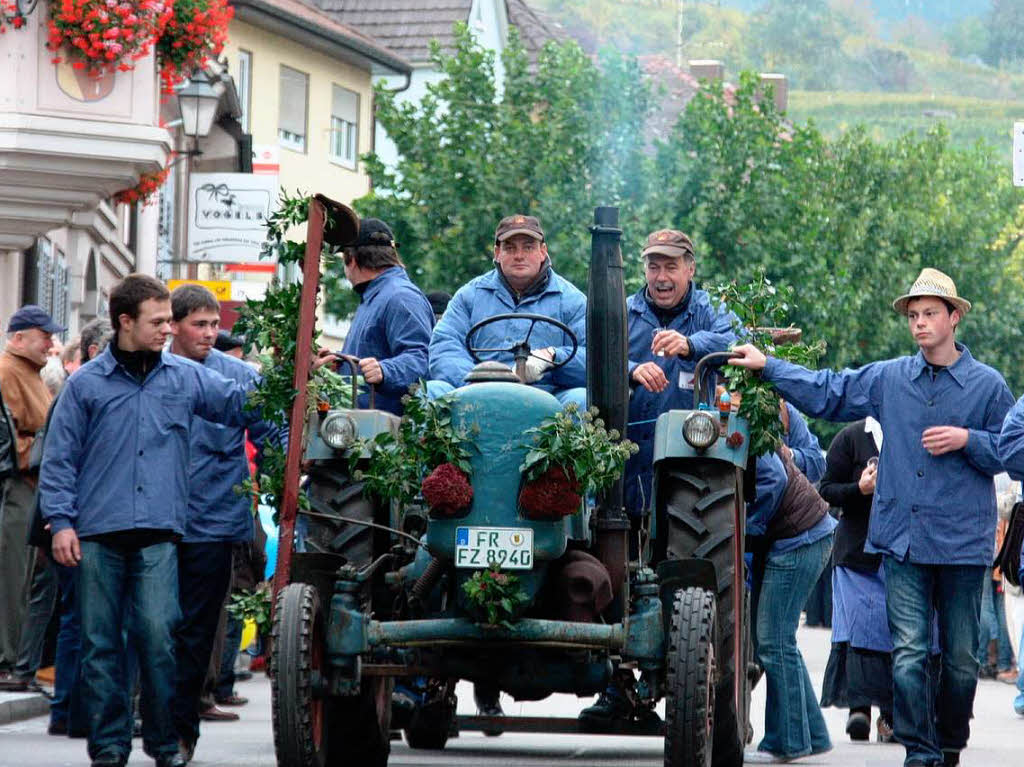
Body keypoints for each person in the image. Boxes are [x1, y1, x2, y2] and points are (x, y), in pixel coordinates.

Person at [731, 268, 1014, 767]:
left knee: (962, 662)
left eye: (930, 314)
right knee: (907, 654)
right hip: (901, 541)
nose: (920, 324)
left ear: (954, 318)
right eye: (913, 315)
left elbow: (1014, 453)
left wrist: (970, 441)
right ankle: (920, 752)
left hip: (961, 543)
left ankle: (949, 745)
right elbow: (829, 391)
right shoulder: (890, 378)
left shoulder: (987, 386)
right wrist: (769, 366)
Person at [39, 274, 263, 767]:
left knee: (160, 639)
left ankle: (165, 745)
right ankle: (109, 747)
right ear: (125, 322)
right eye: (158, 321)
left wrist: (293, 373)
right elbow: (59, 459)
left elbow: (242, 402)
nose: (168, 330)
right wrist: (61, 522)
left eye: (169, 320)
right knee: (101, 646)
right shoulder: (85, 385)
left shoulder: (184, 377)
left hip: (160, 534)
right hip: (96, 534)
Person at [580, 228, 737, 725]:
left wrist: (690, 344)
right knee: (616, 573)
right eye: (653, 266)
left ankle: (683, 684)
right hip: (627, 466)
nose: (662, 277)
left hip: (689, 476)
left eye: (671, 267)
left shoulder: (709, 312)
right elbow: (586, 358)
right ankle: (617, 687)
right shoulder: (623, 311)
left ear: (690, 269)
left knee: (678, 572)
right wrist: (630, 368)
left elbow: (735, 341)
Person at [167, 284, 281, 763]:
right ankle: (149, 709)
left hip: (214, 521)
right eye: (201, 324)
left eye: (216, 324)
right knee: (152, 622)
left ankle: (182, 728)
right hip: (160, 518)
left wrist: (297, 462)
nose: (211, 333)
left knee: (197, 629)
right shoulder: (157, 373)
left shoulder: (237, 377)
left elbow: (270, 433)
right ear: (173, 325)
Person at [428, 214, 586, 410]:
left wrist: (553, 356)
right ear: (497, 253)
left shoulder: (572, 300)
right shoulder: (469, 296)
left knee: (581, 399)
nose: (519, 255)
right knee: (432, 391)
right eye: (510, 248)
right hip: (477, 398)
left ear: (543, 251)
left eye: (528, 247)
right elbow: (444, 345)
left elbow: (594, 358)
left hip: (548, 398)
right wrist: (474, 381)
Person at [745, 446, 836, 763]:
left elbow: (773, 478)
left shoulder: (744, 429)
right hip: (808, 535)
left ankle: (788, 743)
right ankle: (814, 735)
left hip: (800, 540)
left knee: (774, 640)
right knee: (781, 641)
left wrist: (748, 528)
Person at [818, 417, 896, 742]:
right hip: (856, 553)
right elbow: (827, 490)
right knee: (859, 630)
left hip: (900, 553)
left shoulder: (913, 432)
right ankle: (859, 709)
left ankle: (892, 716)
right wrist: (859, 489)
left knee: (897, 633)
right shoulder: (850, 437)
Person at [0, 305, 60, 689]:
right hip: (19, 484)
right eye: (44, 336)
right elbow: (9, 438)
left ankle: (18, 662)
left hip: (34, 486)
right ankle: (9, 661)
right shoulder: (8, 371)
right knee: (13, 577)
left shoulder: (29, 373)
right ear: (19, 338)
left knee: (29, 580)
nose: (51, 343)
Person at [320, 218, 433, 415]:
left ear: (351, 259)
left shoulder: (400, 297)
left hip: (385, 436)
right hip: (363, 430)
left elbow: (423, 359)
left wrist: (386, 371)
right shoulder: (377, 298)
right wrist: (341, 365)